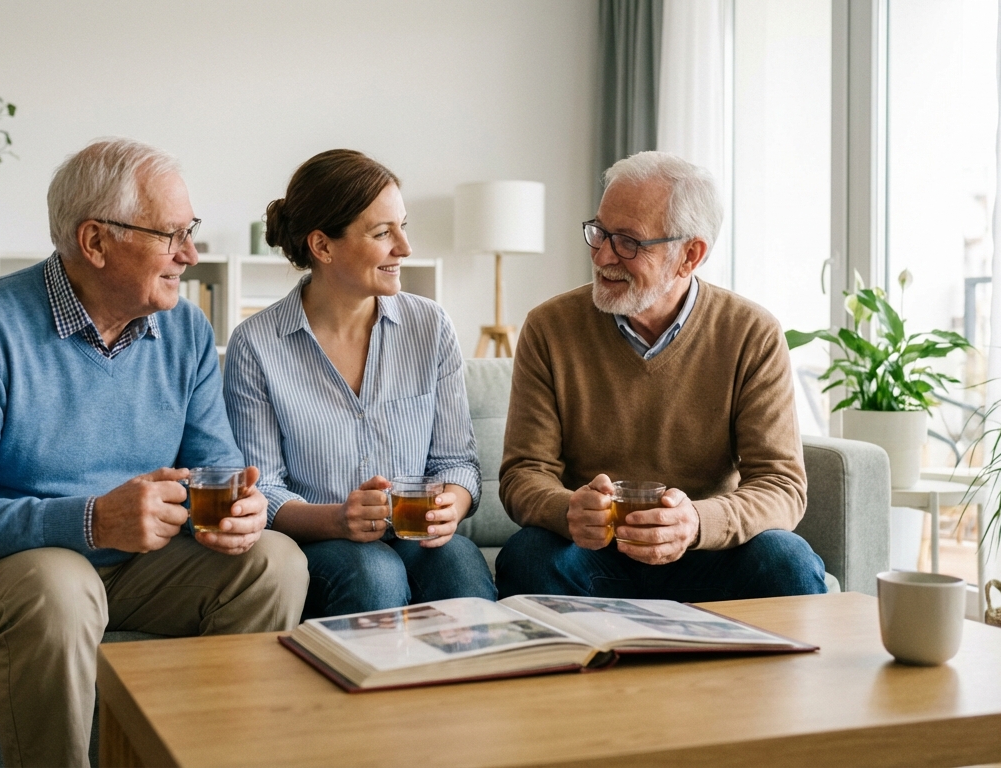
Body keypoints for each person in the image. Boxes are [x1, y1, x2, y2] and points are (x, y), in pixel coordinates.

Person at [0, 138, 309, 767]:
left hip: (132, 568)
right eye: (171, 235)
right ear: (95, 241)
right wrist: (90, 520)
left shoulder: (187, 330)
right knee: (60, 585)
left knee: (275, 561)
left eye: (190, 231)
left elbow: (217, 469)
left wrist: (238, 511)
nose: (190, 255)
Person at [495, 151, 827, 601]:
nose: (603, 255)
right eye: (600, 232)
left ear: (690, 255)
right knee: (528, 555)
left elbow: (781, 486)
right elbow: (523, 473)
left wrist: (696, 522)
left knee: (788, 560)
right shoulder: (549, 328)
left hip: (708, 553)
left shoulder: (752, 333)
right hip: (593, 556)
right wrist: (568, 509)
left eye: (628, 242)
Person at [223, 149, 495, 620]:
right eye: (382, 233)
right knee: (373, 574)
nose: (404, 247)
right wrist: (338, 519)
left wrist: (451, 504)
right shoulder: (256, 344)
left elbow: (457, 462)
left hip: (415, 534)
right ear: (322, 246)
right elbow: (262, 488)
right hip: (321, 542)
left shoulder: (430, 326)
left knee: (458, 565)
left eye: (402, 227)